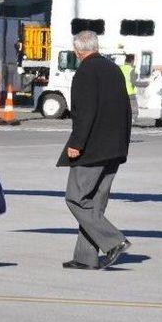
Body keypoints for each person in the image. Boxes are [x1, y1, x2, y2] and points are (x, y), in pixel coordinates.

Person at [57, 31, 132, 270]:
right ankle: (86, 257)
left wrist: (76, 144)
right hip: (115, 148)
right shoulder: (114, 69)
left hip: (93, 149)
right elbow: (125, 110)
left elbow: (84, 112)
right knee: (95, 204)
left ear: (78, 51)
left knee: (76, 199)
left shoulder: (85, 72)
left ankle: (114, 241)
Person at [119, 54, 139, 123]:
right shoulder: (132, 70)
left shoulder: (119, 68)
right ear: (132, 61)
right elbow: (134, 82)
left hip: (121, 93)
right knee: (134, 108)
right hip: (130, 93)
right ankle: (132, 119)